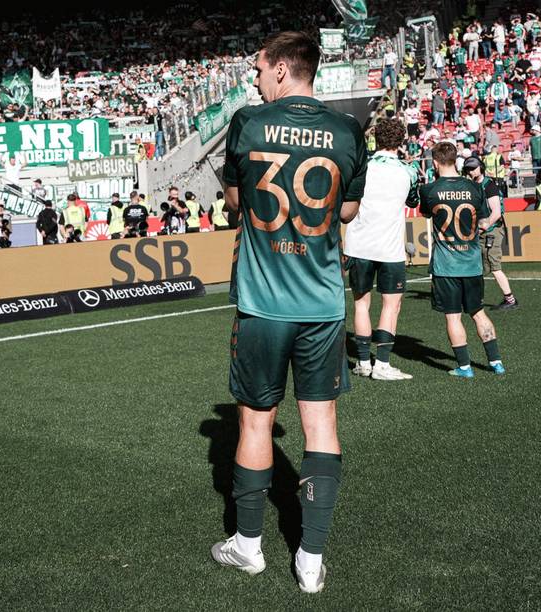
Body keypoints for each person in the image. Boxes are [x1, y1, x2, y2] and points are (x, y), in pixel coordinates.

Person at [210, 31, 367, 594]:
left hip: (262, 302)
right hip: (322, 303)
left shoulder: (249, 123)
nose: (254, 79)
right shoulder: (348, 130)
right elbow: (346, 208)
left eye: (258, 69)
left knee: (256, 420)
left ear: (280, 68)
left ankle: (249, 546)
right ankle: (310, 558)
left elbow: (234, 202)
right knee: (320, 424)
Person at [420, 142, 505, 378]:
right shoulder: (475, 187)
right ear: (456, 160)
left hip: (446, 265)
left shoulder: (429, 190)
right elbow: (484, 220)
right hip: (471, 262)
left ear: (435, 163)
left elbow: (426, 213)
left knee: (453, 316)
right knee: (478, 312)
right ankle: (496, 362)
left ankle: (465, 367)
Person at [344, 118, 417, 381]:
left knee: (361, 304)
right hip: (389, 248)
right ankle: (382, 365)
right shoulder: (409, 172)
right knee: (391, 305)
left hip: (359, 245)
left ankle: (363, 362)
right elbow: (413, 199)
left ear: (376, 139)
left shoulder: (360, 167)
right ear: (401, 141)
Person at [462, 157, 520, 311]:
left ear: (480, 167)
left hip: (491, 229)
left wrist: (482, 228)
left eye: (474, 168)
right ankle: (475, 298)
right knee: (480, 267)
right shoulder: (472, 185)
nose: (471, 171)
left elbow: (496, 212)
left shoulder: (489, 185)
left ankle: (510, 299)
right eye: (469, 168)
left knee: (494, 266)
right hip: (482, 229)